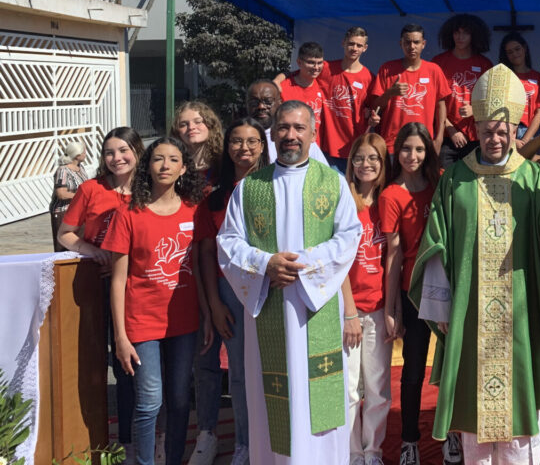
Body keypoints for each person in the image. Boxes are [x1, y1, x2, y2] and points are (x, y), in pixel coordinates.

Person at [409, 63, 540, 464]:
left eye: (503, 131)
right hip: (470, 313)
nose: (495, 137)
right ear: (476, 130)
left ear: (516, 132)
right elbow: (438, 243)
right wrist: (441, 307)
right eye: (488, 130)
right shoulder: (456, 179)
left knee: (521, 424)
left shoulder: (534, 176)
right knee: (475, 426)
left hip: (522, 312)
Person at [217, 100, 362, 465]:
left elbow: (349, 236)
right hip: (269, 309)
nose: (291, 135)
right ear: (272, 134)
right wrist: (265, 263)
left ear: (313, 134)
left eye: (299, 128)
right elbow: (228, 243)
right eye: (283, 128)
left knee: (318, 404)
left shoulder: (333, 182)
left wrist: (304, 265)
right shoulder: (250, 188)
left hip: (317, 307)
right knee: (274, 407)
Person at [104, 137, 208, 465]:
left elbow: (202, 271)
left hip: (185, 321)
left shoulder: (196, 210)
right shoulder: (128, 212)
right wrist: (120, 337)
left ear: (183, 167)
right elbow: (118, 280)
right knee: (149, 401)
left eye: (173, 159)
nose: (165, 166)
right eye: (158, 159)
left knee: (179, 401)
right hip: (141, 322)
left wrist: (207, 314)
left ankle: (173, 459)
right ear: (147, 165)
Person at [58, 126, 145, 460]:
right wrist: (94, 252)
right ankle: (124, 439)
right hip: (102, 289)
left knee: (147, 366)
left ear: (137, 151)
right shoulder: (91, 189)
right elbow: (67, 233)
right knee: (119, 364)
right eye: (109, 152)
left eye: (123, 150)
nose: (116, 158)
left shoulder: (150, 189)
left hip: (145, 288)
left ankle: (153, 431)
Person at [192, 118, 269, 465]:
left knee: (272, 369)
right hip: (229, 291)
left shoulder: (277, 188)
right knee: (238, 372)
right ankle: (244, 442)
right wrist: (214, 304)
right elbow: (207, 254)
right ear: (227, 147)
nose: (245, 148)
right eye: (237, 141)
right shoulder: (214, 197)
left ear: (263, 146)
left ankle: (272, 440)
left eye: (252, 141)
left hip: (271, 289)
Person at [379, 123, 442, 465]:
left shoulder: (440, 183)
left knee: (449, 366)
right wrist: (393, 309)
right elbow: (392, 255)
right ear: (397, 152)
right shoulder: (391, 194)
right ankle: (409, 441)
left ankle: (451, 433)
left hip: (446, 288)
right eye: (406, 149)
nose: (412, 156)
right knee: (414, 370)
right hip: (413, 292)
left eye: (419, 149)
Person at [342, 133, 392, 465]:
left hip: (378, 308)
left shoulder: (389, 201)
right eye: (359, 158)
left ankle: (372, 451)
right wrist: (349, 313)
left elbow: (395, 260)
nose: (366, 164)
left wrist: (391, 309)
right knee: (348, 389)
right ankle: (351, 453)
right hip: (348, 310)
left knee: (377, 388)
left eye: (373, 158)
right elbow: (337, 262)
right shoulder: (342, 201)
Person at [367, 24, 451, 154]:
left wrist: (439, 139)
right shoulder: (387, 69)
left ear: (423, 44)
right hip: (392, 144)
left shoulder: (434, 70)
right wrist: (390, 93)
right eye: (407, 42)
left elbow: (441, 107)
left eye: (416, 42)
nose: (412, 47)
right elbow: (375, 107)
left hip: (423, 144)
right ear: (401, 43)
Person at [312, 27, 379, 174]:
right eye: (351, 44)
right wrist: (279, 80)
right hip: (326, 148)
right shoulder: (325, 69)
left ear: (365, 48)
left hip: (354, 148)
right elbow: (299, 75)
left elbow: (373, 109)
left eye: (359, 45)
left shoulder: (369, 78)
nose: (354, 48)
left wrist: (373, 118)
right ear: (343, 43)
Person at [434, 14, 494, 168]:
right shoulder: (438, 63)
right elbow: (433, 102)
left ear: (474, 35)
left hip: (476, 136)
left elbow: (493, 101)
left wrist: (475, 110)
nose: (460, 37)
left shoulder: (485, 64)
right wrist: (451, 129)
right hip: (446, 136)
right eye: (456, 32)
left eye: (465, 33)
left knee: (472, 184)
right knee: (446, 183)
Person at [245, 79, 329, 165]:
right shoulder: (236, 135)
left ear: (279, 102)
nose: (261, 106)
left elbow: (324, 174)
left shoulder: (298, 138)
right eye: (254, 102)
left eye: (268, 102)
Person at [498, 32, 540, 150]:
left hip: (532, 131)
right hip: (508, 131)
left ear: (524, 48)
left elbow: (538, 113)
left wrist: (525, 140)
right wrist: (511, 137)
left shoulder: (538, 77)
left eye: (517, 49)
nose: (515, 54)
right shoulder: (503, 76)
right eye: (510, 52)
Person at [276, 42, 326, 139]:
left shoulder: (324, 83)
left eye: (319, 63)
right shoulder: (282, 87)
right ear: (299, 62)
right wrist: (277, 80)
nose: (316, 67)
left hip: (315, 148)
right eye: (311, 62)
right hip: (290, 145)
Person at [48, 141, 89, 251]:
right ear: (77, 155)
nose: (86, 154)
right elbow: (61, 193)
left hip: (79, 211)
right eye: (84, 152)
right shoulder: (63, 170)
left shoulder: (81, 168)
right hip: (63, 212)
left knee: (78, 243)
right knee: (64, 247)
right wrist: (81, 196)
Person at [174, 100, 224, 184]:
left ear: (210, 125)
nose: (191, 127)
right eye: (183, 124)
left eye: (198, 122)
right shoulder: (173, 167)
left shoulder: (223, 163)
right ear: (177, 132)